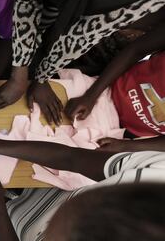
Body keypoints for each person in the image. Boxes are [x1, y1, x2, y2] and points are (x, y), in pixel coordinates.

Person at [0, 119, 165, 241]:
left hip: (22, 232)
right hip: (32, 207)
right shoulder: (157, 171)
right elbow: (72, 158)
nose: (54, 221)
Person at [0, 0, 165, 126]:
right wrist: (20, 71)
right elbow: (27, 2)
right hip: (13, 20)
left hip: (55, 39)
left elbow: (83, 35)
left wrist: (41, 78)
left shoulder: (155, 2)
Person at [63, 24, 165, 152]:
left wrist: (126, 146)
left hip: (126, 136)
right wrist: (91, 96)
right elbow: (137, 49)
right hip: (104, 89)